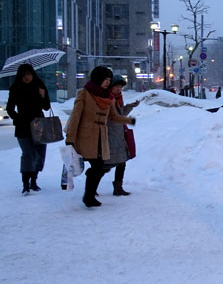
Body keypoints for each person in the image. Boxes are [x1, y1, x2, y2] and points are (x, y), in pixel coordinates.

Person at [65, 66, 135, 207]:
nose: (107, 83)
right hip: (86, 137)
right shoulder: (84, 93)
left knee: (99, 167)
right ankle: (89, 197)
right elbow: (75, 117)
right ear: (98, 79)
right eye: (105, 79)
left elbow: (113, 116)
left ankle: (89, 196)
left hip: (101, 138)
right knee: (97, 167)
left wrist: (128, 120)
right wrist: (70, 139)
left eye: (109, 80)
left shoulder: (108, 97)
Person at [7, 64, 51, 194]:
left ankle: (34, 180)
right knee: (28, 154)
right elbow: (10, 108)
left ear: (32, 74)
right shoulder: (16, 88)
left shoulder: (39, 85)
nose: (26, 77)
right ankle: (25, 183)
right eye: (23, 75)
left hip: (39, 124)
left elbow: (47, 107)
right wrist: (17, 118)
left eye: (28, 74)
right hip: (23, 126)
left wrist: (43, 96)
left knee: (39, 153)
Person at [105, 75, 140, 196]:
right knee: (104, 165)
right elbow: (113, 117)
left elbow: (121, 114)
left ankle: (118, 187)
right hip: (109, 135)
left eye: (120, 87)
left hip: (119, 134)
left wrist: (130, 106)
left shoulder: (118, 98)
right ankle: (91, 187)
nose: (119, 89)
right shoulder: (107, 99)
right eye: (117, 87)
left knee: (121, 162)